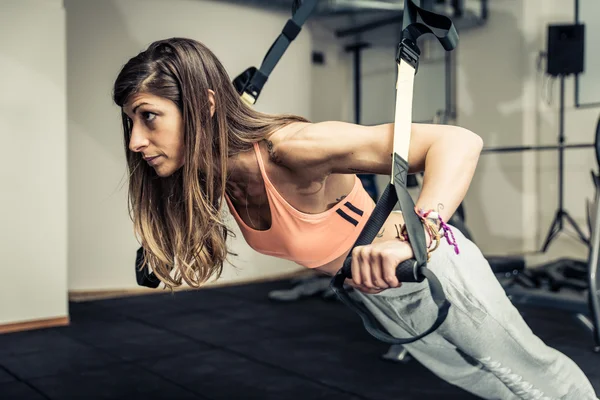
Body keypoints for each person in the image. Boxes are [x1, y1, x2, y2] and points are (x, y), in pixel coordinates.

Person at [112, 37, 598, 399]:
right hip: (377, 298)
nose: (135, 140)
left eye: (148, 116)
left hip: (430, 276)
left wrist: (414, 240)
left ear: (205, 106)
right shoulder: (211, 174)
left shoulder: (293, 150)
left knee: (530, 374)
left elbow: (457, 141)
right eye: (130, 121)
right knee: (486, 381)